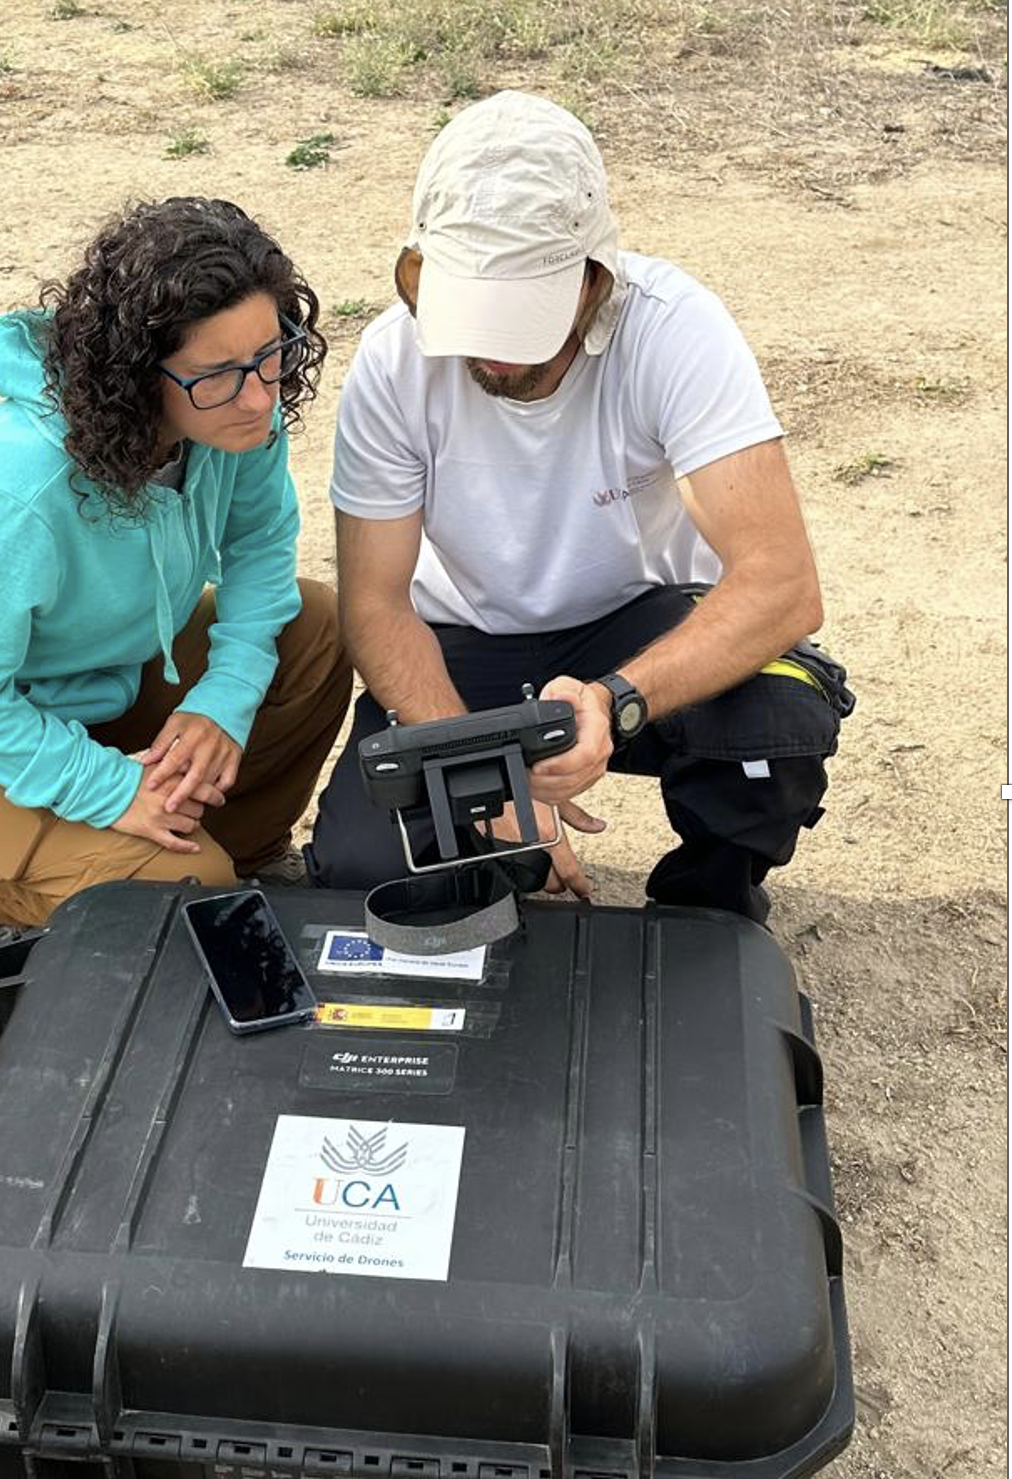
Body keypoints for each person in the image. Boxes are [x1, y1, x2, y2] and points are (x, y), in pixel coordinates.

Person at [306, 91, 851, 925]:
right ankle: (503, 865)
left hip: (637, 623)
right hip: (459, 645)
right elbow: (377, 604)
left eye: (521, 318)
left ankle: (706, 913)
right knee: (368, 874)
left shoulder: (674, 331)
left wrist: (614, 699)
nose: (491, 351)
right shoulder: (391, 364)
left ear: (594, 278)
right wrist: (480, 764)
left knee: (777, 719)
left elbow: (781, 584)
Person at [0, 197, 352, 940]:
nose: (260, 397)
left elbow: (259, 550)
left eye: (272, 352)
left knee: (313, 629)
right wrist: (110, 789)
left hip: (109, 675)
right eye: (216, 374)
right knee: (188, 899)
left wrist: (224, 697)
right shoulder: (19, 483)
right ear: (133, 376)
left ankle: (232, 853)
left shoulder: (239, 406)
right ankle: (1, 881)